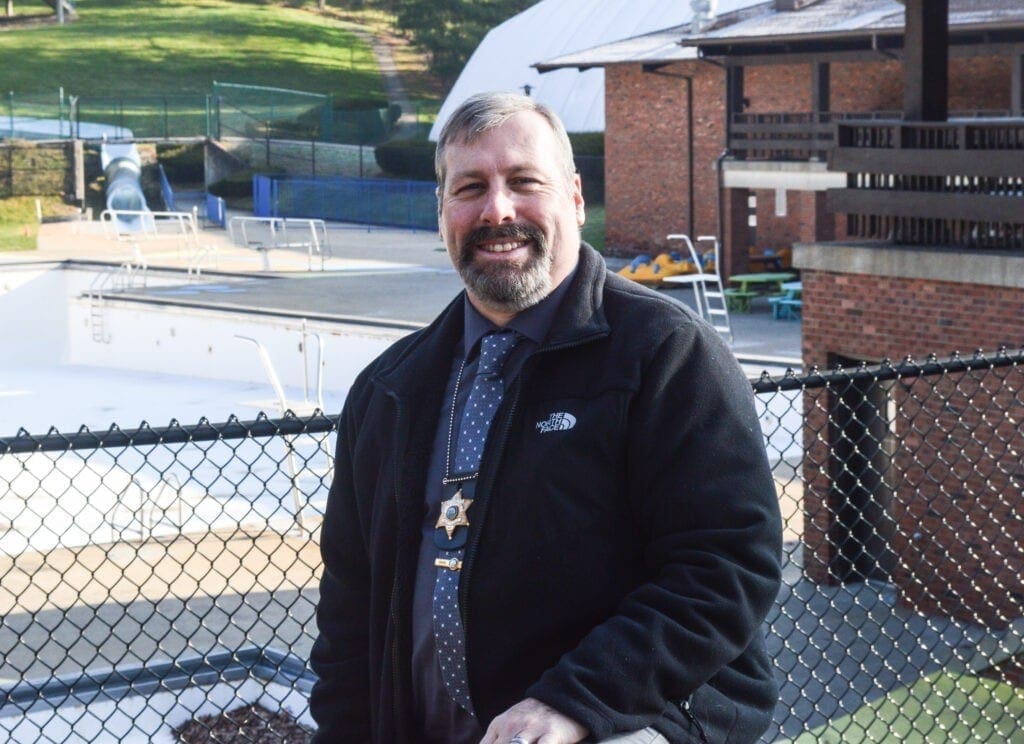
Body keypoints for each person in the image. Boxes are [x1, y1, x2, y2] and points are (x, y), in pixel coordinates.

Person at [309, 91, 782, 744]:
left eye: (523, 182)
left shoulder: (665, 355)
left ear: (576, 199)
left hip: (627, 721)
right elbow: (348, 623)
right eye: (470, 187)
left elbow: (726, 569)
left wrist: (572, 703)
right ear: (441, 210)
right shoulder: (388, 394)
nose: (497, 210)